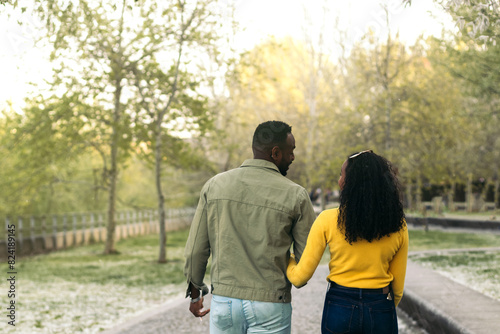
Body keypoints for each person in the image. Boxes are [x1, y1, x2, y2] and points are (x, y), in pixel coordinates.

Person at [184, 120, 316, 334]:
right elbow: (306, 259)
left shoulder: (215, 185)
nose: (293, 157)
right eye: (290, 151)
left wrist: (196, 293)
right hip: (271, 304)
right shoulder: (296, 195)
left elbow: (196, 250)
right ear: (275, 152)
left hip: (224, 302)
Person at [287, 150, 409, 334]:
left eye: (341, 174)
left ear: (347, 183)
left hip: (340, 305)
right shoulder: (397, 225)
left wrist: (287, 257)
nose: (339, 179)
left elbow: (299, 277)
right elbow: (397, 290)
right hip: (381, 306)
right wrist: (382, 307)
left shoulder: (327, 220)